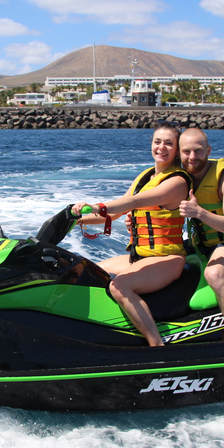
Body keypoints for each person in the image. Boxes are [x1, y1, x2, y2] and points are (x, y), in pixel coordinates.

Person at [72, 123, 191, 347]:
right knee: (87, 272)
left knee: (120, 286)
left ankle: (157, 347)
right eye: (157, 142)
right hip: (139, 256)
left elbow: (136, 202)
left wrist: (96, 206)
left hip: (168, 258)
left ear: (177, 149)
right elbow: (116, 212)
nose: (161, 147)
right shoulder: (145, 177)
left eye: (168, 143)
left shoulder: (177, 182)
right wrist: (76, 219)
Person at [178, 128, 224, 341]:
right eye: (186, 152)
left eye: (198, 151)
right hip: (199, 244)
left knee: (213, 275)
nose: (192, 157)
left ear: (208, 150)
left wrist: (198, 212)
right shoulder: (182, 176)